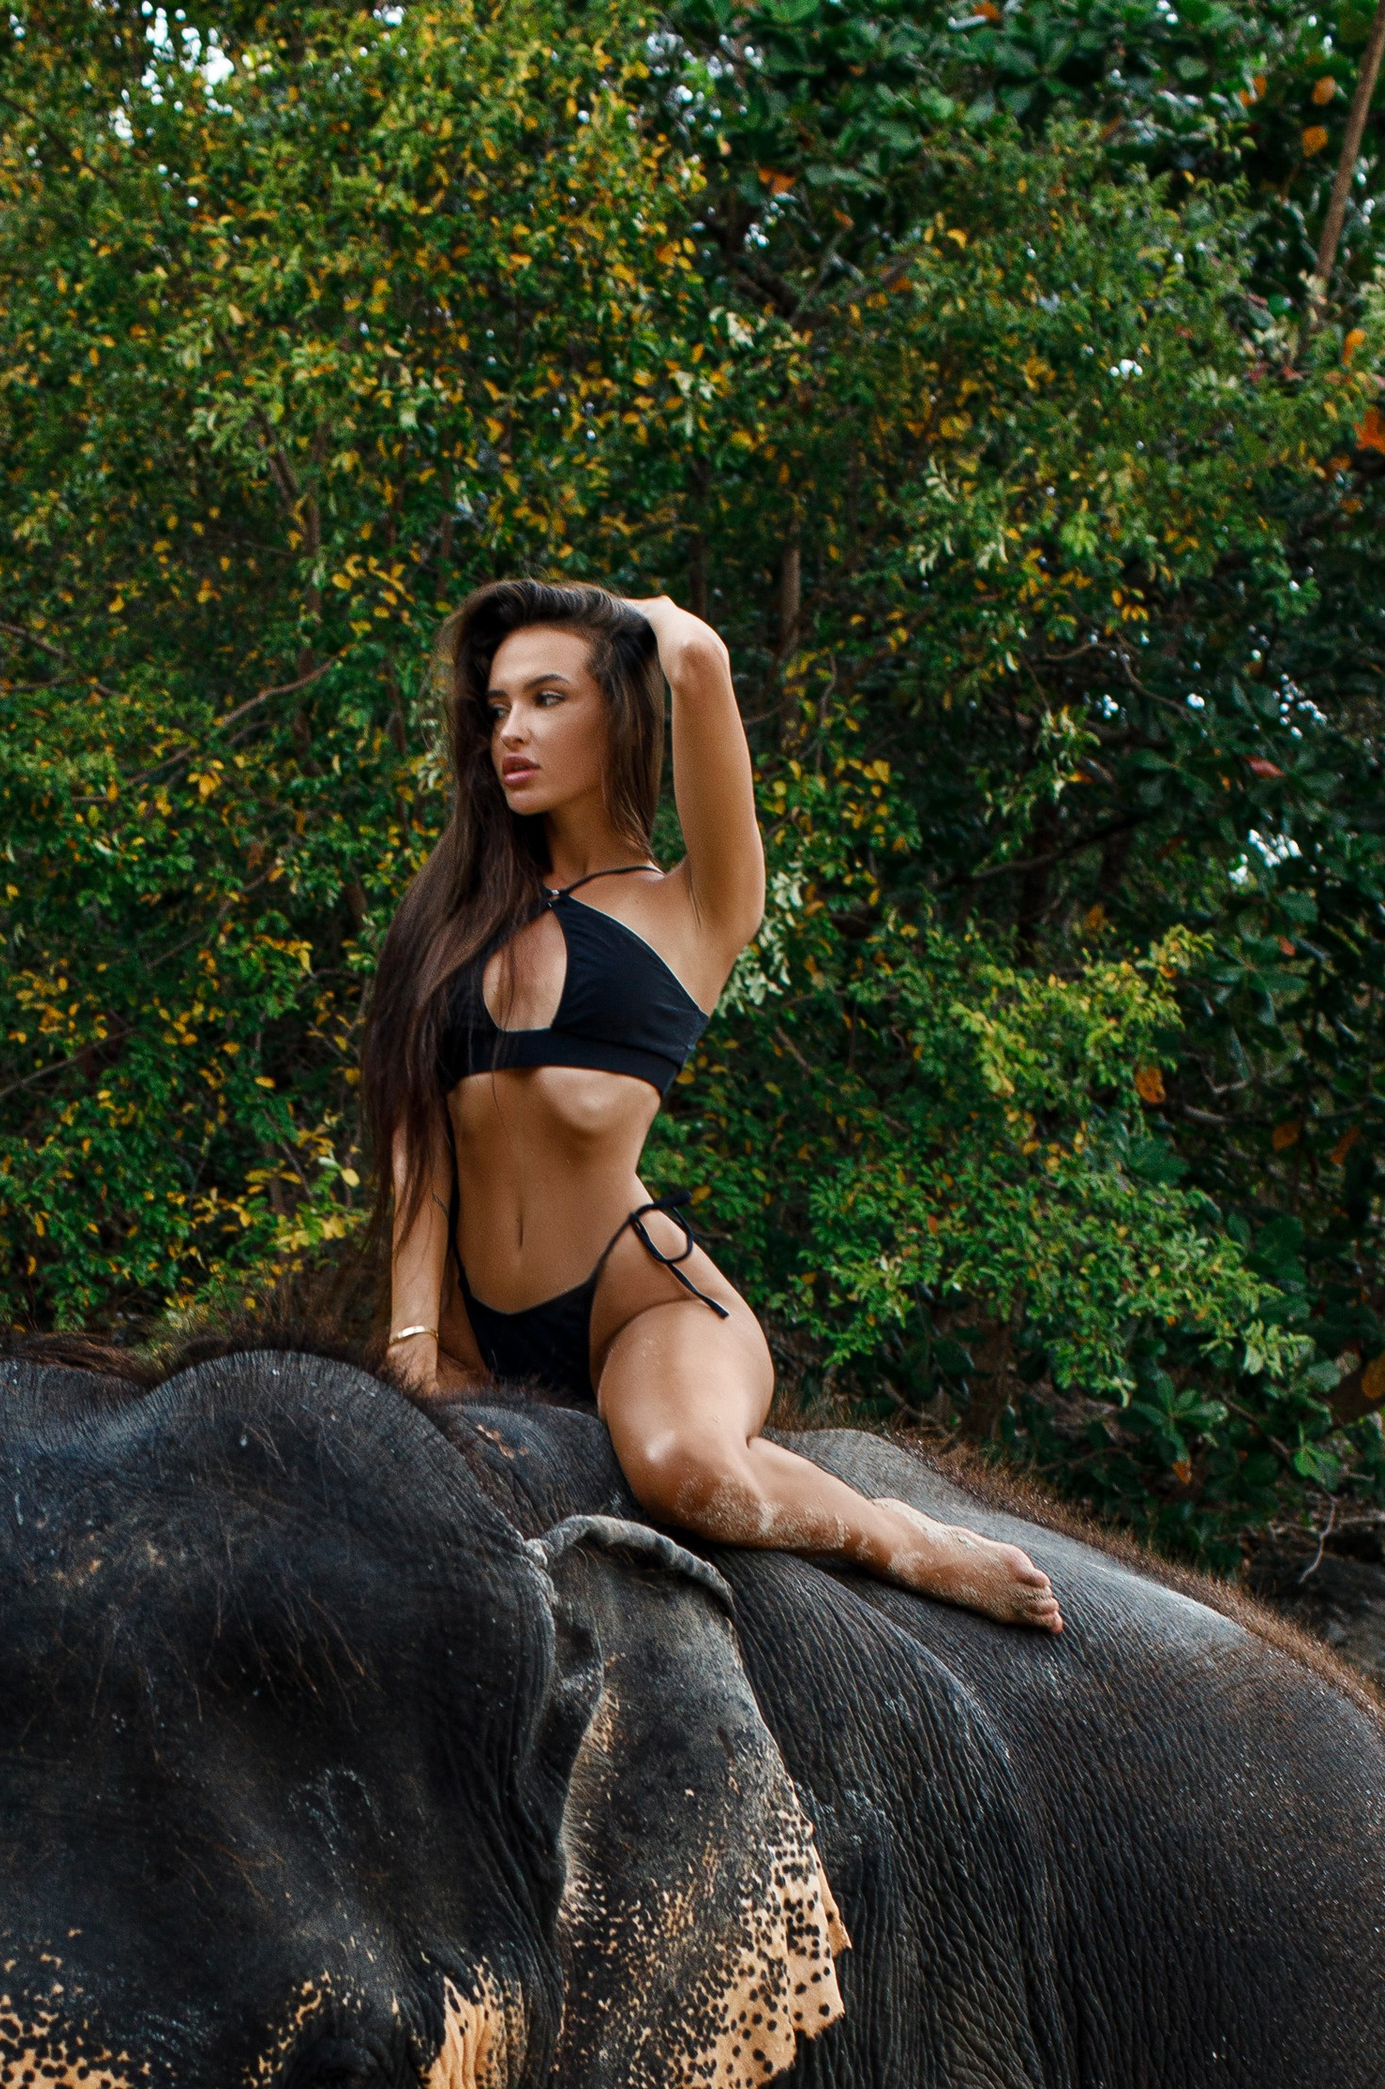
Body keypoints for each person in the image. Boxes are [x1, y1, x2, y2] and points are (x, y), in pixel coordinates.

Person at [362, 575, 1060, 1629]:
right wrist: (413, 1335)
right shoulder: (458, 914)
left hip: (639, 1302)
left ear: (618, 710)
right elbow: (417, 1138)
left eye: (549, 698)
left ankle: (899, 1536)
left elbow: (699, 662)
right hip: (471, 1316)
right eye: (497, 707)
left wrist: (641, 622)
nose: (513, 730)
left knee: (687, 1472)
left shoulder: (697, 905)